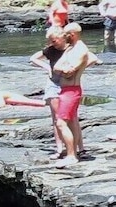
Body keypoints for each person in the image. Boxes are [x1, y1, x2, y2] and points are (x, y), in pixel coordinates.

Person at [49, 23, 100, 167]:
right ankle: (74, 153)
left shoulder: (81, 49)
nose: (64, 37)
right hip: (65, 90)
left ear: (73, 34)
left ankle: (71, 156)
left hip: (72, 90)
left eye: (66, 34)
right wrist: (63, 68)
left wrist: (65, 68)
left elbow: (69, 71)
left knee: (60, 122)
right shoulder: (70, 48)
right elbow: (57, 67)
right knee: (70, 122)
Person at [30, 27, 69, 162]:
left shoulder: (71, 48)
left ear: (62, 37)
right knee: (57, 118)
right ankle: (59, 148)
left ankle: (73, 148)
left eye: (54, 40)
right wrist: (47, 67)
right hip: (53, 84)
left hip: (68, 83)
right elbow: (33, 58)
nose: (53, 43)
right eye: (50, 41)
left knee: (69, 118)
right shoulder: (51, 50)